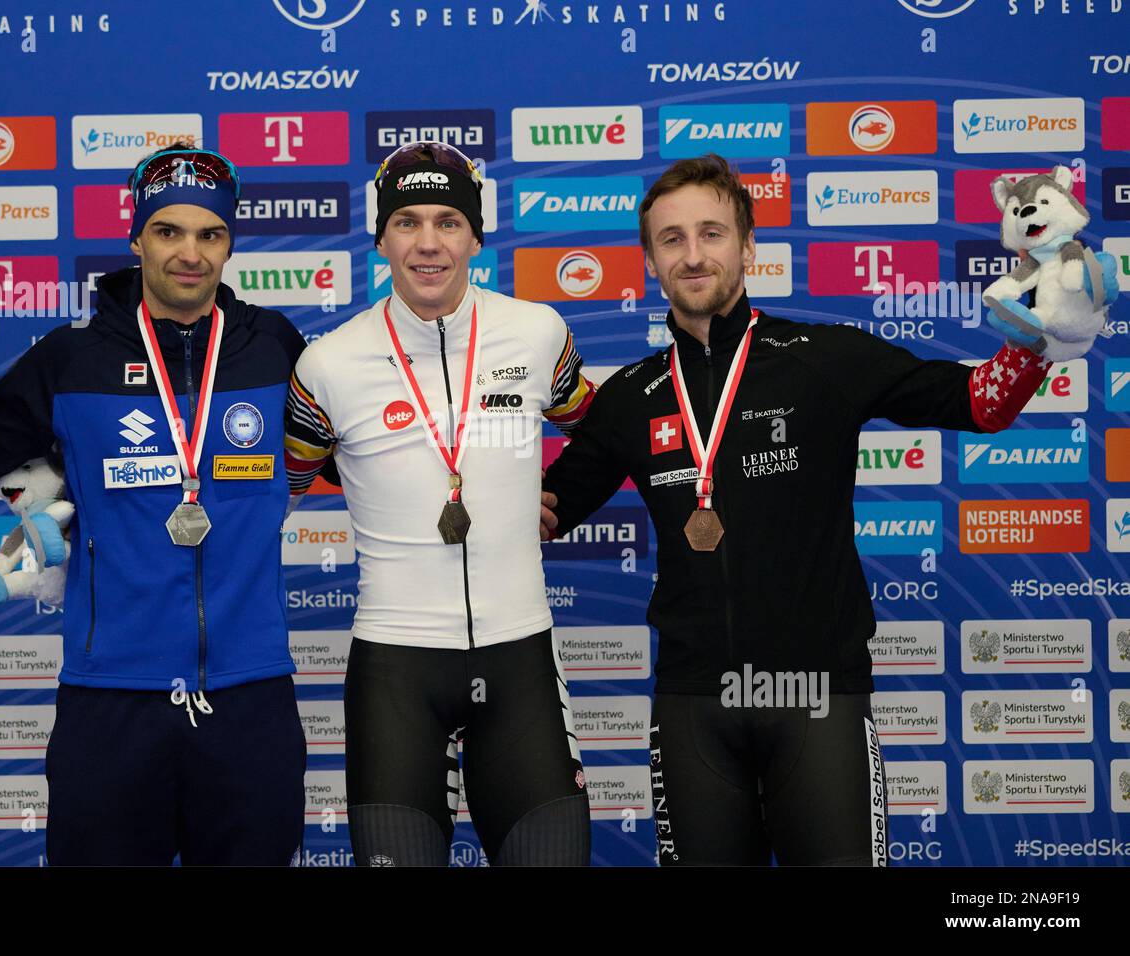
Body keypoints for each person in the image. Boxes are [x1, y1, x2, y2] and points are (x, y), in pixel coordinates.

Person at [540, 155, 1054, 866]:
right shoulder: (630, 395)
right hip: (695, 707)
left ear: (747, 248)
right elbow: (541, 513)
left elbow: (977, 403)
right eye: (672, 238)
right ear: (650, 259)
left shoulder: (823, 358)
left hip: (819, 699)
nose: (694, 255)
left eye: (712, 234)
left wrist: (1037, 338)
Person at [0, 143, 307, 865]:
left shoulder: (273, 348)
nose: (190, 254)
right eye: (169, 231)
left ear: (231, 242)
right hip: (110, 700)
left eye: (210, 235)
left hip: (250, 698)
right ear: (136, 235)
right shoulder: (70, 358)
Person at [284, 142, 596, 866]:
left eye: (449, 221)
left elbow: (607, 435)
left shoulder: (538, 332)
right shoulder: (328, 364)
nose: (428, 243)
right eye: (408, 222)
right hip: (395, 669)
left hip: (521, 657)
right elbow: (277, 494)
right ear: (382, 236)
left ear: (476, 235)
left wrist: (558, 501)